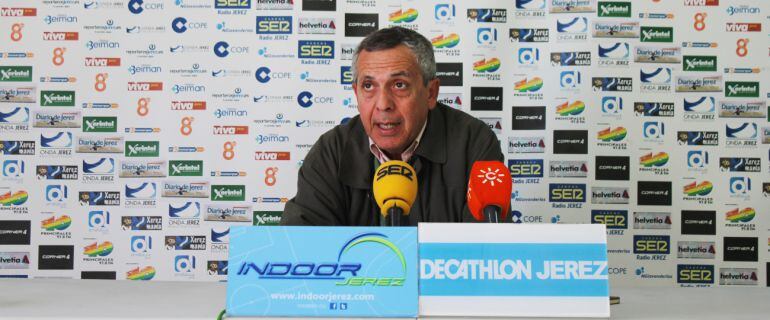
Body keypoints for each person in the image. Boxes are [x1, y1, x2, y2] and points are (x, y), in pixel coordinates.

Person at [281, 27, 503, 226]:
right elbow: (302, 249)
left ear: (431, 93)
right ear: (356, 93)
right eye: (368, 86)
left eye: (399, 85)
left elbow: (485, 254)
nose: (383, 104)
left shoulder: (472, 143)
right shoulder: (332, 151)